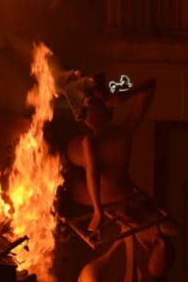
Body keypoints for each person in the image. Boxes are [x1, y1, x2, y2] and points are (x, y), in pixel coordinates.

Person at [64, 76, 157, 235]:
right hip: (118, 195)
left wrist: (97, 211)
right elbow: (150, 85)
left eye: (97, 107)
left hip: (110, 198)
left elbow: (92, 174)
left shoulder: (106, 137)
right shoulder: (122, 132)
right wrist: (126, 95)